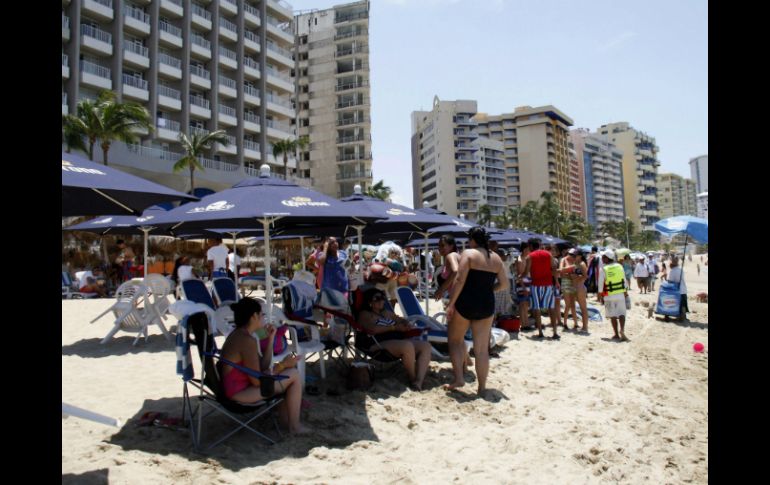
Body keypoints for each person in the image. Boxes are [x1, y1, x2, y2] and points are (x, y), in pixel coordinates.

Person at [219, 298, 307, 434]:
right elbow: (257, 381)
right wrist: (283, 365)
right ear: (254, 316)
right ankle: (294, 427)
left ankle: (286, 422)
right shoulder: (246, 340)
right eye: (261, 315)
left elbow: (262, 366)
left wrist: (270, 339)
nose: (263, 318)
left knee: (289, 372)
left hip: (237, 389)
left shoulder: (240, 335)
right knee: (293, 374)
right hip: (240, 394)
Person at [445, 227, 509, 394]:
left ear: (472, 239)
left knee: (455, 341)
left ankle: (459, 379)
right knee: (481, 350)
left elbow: (459, 279)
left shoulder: (469, 253)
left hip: (466, 302)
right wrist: (487, 290)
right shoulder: (496, 258)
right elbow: (504, 284)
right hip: (486, 304)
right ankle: (482, 387)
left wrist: (451, 303)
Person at [357, 288, 432, 390]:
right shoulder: (365, 314)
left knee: (426, 346)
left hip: (396, 341)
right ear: (369, 301)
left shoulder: (385, 313)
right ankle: (413, 379)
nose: (381, 301)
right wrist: (395, 327)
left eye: (382, 298)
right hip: (376, 344)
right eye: (377, 298)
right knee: (407, 346)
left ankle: (419, 380)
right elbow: (372, 329)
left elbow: (400, 319)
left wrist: (405, 323)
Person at [525, 238, 560, 339]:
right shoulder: (548, 254)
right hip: (548, 284)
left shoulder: (529, 257)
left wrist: (520, 277)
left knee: (537, 308)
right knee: (551, 308)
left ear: (531, 246)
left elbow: (526, 271)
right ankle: (555, 332)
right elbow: (554, 268)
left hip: (535, 285)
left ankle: (540, 332)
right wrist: (557, 282)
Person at [597, 250, 629, 341]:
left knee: (613, 315)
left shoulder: (603, 268)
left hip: (609, 295)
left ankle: (616, 334)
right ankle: (622, 330)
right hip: (620, 293)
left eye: (604, 257)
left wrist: (599, 295)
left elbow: (600, 283)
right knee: (622, 313)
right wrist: (626, 293)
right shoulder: (620, 266)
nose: (602, 259)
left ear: (608, 258)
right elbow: (624, 280)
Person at [434, 235, 460, 303]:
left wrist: (441, 289)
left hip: (458, 298)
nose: (439, 248)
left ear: (451, 246)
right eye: (439, 245)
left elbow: (456, 271)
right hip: (456, 297)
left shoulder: (451, 256)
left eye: (442, 245)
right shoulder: (454, 256)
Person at [664, 256, 688, 322]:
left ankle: (667, 314)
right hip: (683, 289)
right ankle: (683, 315)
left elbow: (670, 281)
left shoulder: (672, 271)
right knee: (683, 304)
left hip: (675, 290)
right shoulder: (681, 270)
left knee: (669, 301)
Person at [559, 248, 579, 330]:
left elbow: (565, 272)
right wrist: (569, 271)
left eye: (573, 255)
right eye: (571, 254)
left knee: (573, 305)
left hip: (573, 283)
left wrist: (567, 272)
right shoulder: (563, 260)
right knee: (568, 304)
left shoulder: (574, 261)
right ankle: (565, 323)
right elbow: (561, 271)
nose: (571, 256)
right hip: (566, 283)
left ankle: (575, 323)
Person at [515, 241, 533, 329]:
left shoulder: (526, 258)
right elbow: (519, 275)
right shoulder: (519, 259)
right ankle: (523, 324)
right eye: (528, 249)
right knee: (522, 304)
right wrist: (523, 287)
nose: (529, 250)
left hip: (527, 281)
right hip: (522, 282)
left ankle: (526, 323)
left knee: (525, 304)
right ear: (524, 249)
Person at [571, 251, 590, 332]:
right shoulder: (576, 263)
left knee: (583, 308)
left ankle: (585, 327)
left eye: (575, 255)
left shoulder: (582, 264)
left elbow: (586, 276)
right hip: (575, 286)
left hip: (580, 287)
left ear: (580, 256)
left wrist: (577, 277)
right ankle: (579, 325)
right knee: (574, 307)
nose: (574, 256)